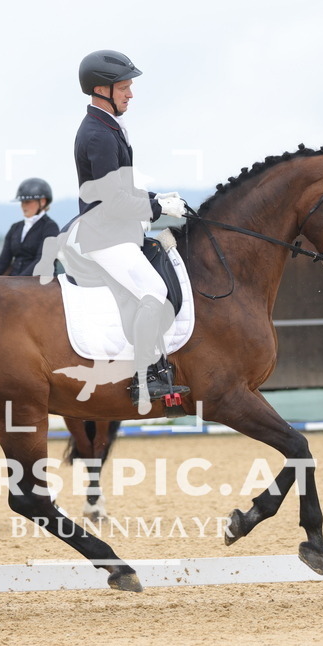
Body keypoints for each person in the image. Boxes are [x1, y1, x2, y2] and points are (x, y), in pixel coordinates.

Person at [66, 49, 191, 414]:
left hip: (116, 231)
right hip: (104, 235)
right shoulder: (98, 135)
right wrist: (157, 208)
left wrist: (157, 197)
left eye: (129, 86)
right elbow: (113, 200)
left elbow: (123, 187)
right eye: (124, 87)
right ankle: (146, 376)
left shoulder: (108, 127)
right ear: (100, 90)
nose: (131, 94)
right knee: (153, 290)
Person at [0, 178, 60, 276]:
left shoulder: (50, 227)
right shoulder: (15, 228)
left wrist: (19, 281)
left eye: (27, 202)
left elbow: (42, 260)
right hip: (16, 282)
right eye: (22, 202)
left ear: (42, 202)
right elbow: (3, 261)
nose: (23, 206)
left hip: (41, 282)